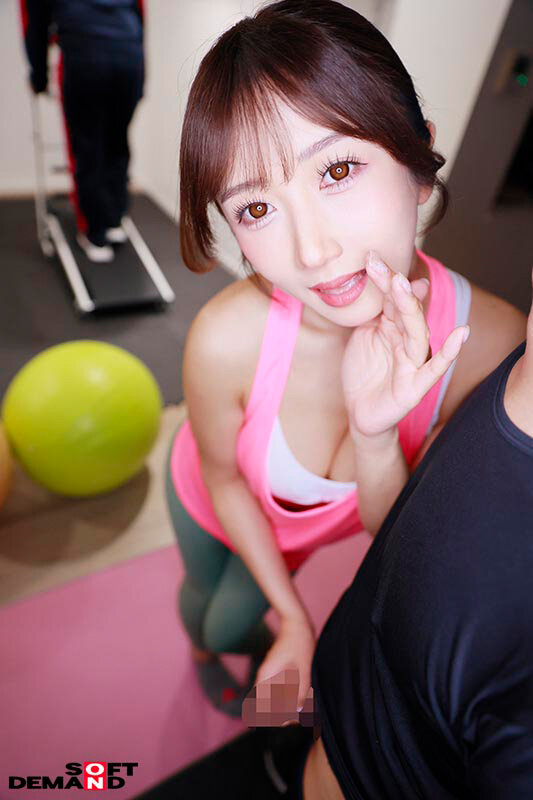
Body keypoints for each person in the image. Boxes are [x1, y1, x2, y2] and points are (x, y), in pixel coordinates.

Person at [166, 0, 526, 717]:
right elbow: (223, 479)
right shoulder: (224, 339)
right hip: (206, 494)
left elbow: (398, 537)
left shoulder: (487, 346)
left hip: (296, 537)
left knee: (234, 627)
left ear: (417, 162)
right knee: (209, 612)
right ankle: (204, 654)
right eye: (256, 209)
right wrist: (294, 618)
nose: (312, 251)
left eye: (336, 169)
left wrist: (374, 433)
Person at [301, 277, 533, 800]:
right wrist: (373, 437)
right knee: (275, 715)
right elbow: (411, 543)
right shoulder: (519, 360)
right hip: (330, 702)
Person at [21, 0, 145, 262]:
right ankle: (114, 220)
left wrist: (38, 77)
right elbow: (139, 12)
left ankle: (96, 232)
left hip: (86, 57)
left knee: (88, 148)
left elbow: (36, 24)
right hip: (129, 55)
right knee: (117, 140)